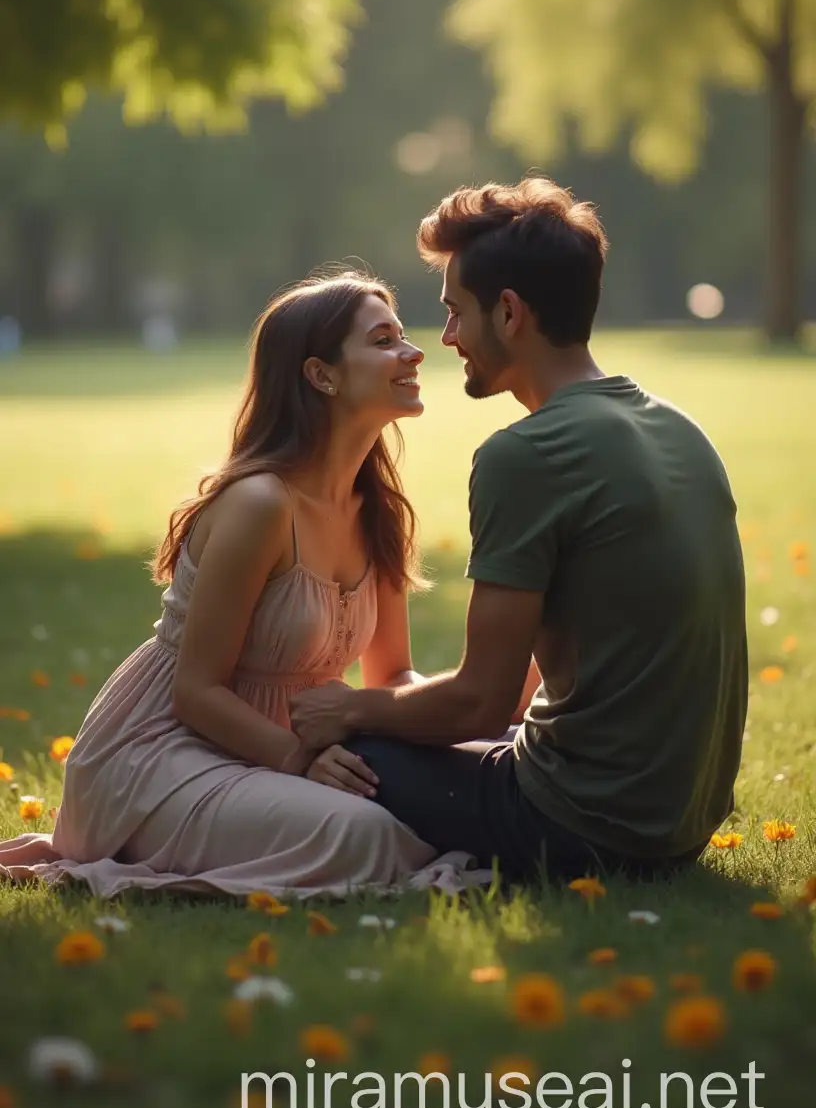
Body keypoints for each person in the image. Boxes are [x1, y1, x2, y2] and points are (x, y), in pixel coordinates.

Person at [291, 178, 749, 885]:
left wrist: (348, 709)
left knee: (358, 760)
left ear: (508, 313)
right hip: (685, 821)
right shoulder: (680, 429)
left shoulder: (526, 454)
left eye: (454, 313)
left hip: (587, 825)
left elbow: (484, 699)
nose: (445, 339)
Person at [0, 272, 450, 899]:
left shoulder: (379, 511)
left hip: (296, 748)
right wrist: (300, 760)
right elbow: (197, 692)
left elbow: (391, 678)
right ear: (322, 375)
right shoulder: (261, 505)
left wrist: (460, 723)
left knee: (455, 801)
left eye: (402, 336)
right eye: (383, 340)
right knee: (364, 837)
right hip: (165, 752)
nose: (413, 352)